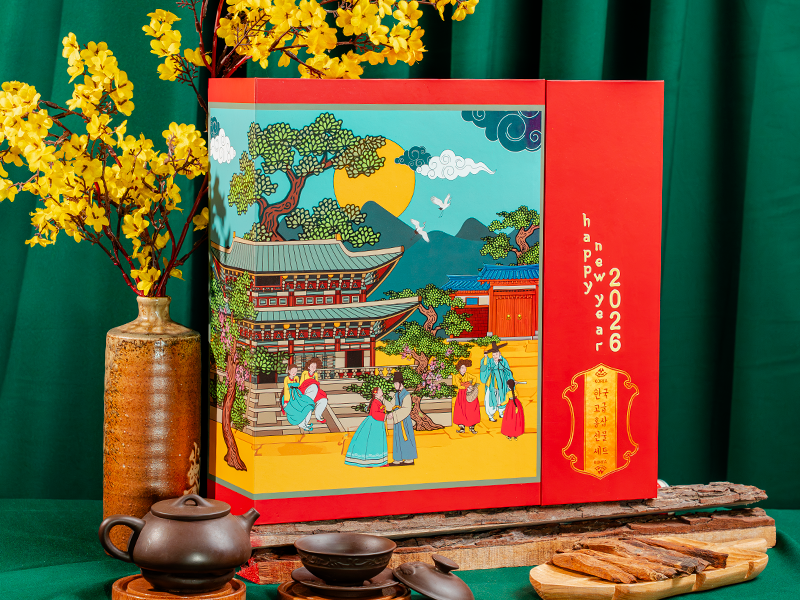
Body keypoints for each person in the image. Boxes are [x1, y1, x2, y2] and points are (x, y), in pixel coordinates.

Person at [344, 387, 390, 467]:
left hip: (378, 423)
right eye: (380, 390)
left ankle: (380, 462)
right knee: (371, 442)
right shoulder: (375, 402)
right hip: (373, 423)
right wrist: (385, 416)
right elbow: (375, 414)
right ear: (376, 393)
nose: (381, 391)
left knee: (378, 442)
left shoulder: (379, 400)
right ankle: (369, 461)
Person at [387, 371, 418, 466]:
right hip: (398, 420)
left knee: (406, 438)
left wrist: (393, 414)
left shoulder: (406, 395)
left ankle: (409, 458)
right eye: (394, 383)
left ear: (401, 383)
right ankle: (398, 458)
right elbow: (391, 405)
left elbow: (406, 409)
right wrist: (382, 400)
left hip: (404, 421)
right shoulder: (396, 395)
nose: (395, 385)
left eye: (396, 383)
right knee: (397, 439)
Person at [480, 341, 513, 422]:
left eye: (496, 354)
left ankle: (501, 412)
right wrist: (485, 357)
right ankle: (490, 415)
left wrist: (510, 380)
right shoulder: (490, 361)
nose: (495, 356)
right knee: (490, 398)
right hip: (492, 383)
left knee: (501, 397)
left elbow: (508, 371)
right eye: (493, 355)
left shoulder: (503, 361)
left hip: (502, 383)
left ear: (499, 354)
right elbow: (484, 368)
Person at [283, 364, 317, 433]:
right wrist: (286, 401)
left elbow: (299, 386)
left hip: (297, 394)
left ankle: (305, 423)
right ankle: (301, 424)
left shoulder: (296, 378)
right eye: (292, 371)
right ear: (289, 371)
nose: (294, 373)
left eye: (295, 372)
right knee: (296, 409)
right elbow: (286, 389)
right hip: (290, 395)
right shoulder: (286, 379)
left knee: (306, 404)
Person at [452, 358, 479, 434]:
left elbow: (474, 378)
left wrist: (471, 385)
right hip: (462, 394)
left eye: (465, 368)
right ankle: (462, 427)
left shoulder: (467, 374)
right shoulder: (457, 376)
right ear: (459, 369)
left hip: (469, 392)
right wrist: (466, 387)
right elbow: (459, 386)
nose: (464, 369)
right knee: (461, 409)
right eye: (462, 368)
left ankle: (472, 427)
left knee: (472, 409)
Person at [299, 357, 328, 424]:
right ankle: (305, 420)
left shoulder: (315, 374)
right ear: (308, 367)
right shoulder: (305, 373)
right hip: (305, 389)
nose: (313, 368)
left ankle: (318, 416)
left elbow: (316, 383)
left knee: (324, 399)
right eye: (312, 366)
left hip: (314, 389)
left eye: (315, 367)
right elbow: (301, 383)